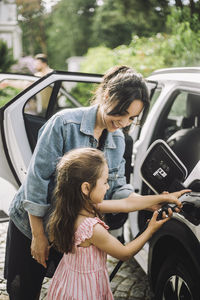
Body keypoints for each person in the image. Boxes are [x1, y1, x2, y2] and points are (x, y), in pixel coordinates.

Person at [4, 65, 189, 300]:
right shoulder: (63, 124)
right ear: (107, 96)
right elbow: (36, 180)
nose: (123, 122)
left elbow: (118, 190)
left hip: (65, 227)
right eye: (120, 114)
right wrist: (38, 235)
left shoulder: (119, 139)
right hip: (32, 224)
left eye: (132, 118)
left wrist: (151, 201)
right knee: (23, 289)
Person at [46, 148, 185, 300]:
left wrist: (162, 199)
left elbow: (126, 204)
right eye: (105, 182)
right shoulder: (91, 229)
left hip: (69, 282)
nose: (107, 187)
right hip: (85, 291)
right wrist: (150, 230)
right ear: (86, 188)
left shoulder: (73, 209)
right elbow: (124, 253)